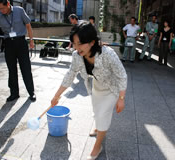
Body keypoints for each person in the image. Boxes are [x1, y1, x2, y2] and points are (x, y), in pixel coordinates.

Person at [51, 23, 127, 159]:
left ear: (92, 42)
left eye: (80, 43)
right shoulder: (77, 55)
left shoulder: (107, 54)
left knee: (103, 114)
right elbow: (70, 75)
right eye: (74, 43)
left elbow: (122, 75)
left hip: (112, 89)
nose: (77, 47)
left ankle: (97, 147)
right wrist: (56, 96)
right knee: (97, 111)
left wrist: (121, 99)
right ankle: (98, 127)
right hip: (97, 86)